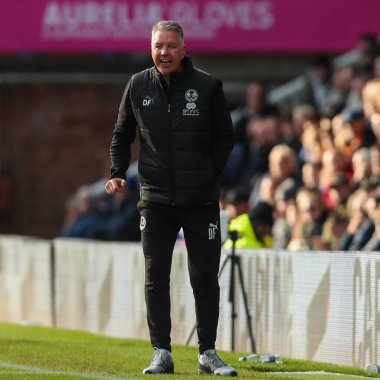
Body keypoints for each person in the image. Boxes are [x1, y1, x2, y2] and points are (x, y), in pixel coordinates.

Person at [105, 20, 237, 376]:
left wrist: (209, 175)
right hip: (156, 199)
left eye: (171, 46)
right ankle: (161, 352)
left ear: (184, 49)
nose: (164, 52)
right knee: (155, 275)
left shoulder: (207, 86)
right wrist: (118, 172)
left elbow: (225, 137)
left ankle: (208, 353)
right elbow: (121, 134)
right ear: (152, 49)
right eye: (158, 46)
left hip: (201, 201)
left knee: (204, 277)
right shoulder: (137, 85)